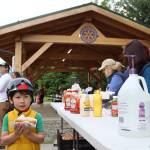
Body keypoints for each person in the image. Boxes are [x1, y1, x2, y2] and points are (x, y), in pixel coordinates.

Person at [1, 78, 45, 150]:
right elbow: (2, 142)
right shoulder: (7, 117)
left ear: (31, 99)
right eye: (18, 97)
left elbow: (41, 139)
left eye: (26, 97)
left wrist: (29, 133)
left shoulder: (37, 116)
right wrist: (16, 134)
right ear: (11, 100)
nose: (22, 101)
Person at [0, 62, 12, 128]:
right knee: (7, 121)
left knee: (2, 121)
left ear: (7, 68)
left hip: (3, 101)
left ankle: (3, 136)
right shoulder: (8, 76)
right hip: (6, 100)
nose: (0, 68)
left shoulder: (5, 77)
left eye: (1, 67)